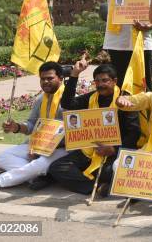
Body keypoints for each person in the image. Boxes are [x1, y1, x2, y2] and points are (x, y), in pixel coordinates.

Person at [48, 61, 140, 195]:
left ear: (114, 81)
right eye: (97, 81)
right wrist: (74, 75)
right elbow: (67, 103)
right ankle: (96, 187)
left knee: (111, 171)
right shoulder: (91, 97)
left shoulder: (124, 99)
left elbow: (134, 133)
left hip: (114, 152)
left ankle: (99, 181)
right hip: (89, 150)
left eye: (105, 80)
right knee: (57, 167)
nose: (101, 85)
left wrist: (113, 149)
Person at [0, 62, 69, 192]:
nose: (46, 82)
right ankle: (40, 177)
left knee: (39, 164)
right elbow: (31, 124)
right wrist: (17, 127)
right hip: (37, 145)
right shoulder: (41, 99)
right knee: (3, 157)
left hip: (62, 148)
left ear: (60, 78)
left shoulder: (70, 99)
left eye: (50, 78)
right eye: (42, 79)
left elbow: (72, 131)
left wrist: (45, 148)